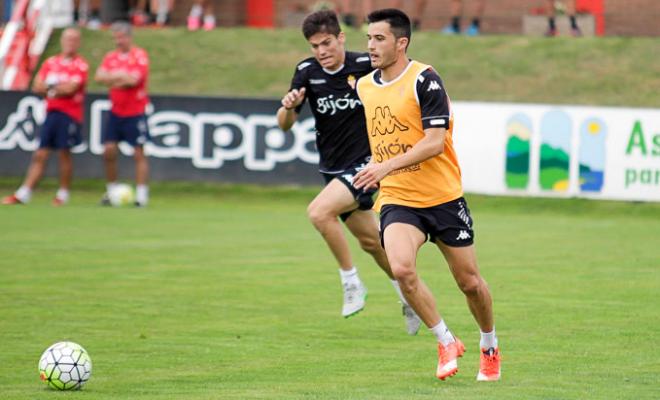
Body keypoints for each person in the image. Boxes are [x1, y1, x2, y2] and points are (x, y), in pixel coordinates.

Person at [354, 8, 501, 381]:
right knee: (402, 268)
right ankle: (445, 339)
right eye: (369, 38)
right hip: (399, 199)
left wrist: (384, 165)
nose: (371, 45)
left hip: (443, 197)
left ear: (401, 43)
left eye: (379, 38)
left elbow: (435, 143)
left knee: (469, 282)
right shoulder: (364, 84)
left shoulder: (426, 80)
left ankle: (489, 344)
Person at [276, 9, 421, 334]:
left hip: (366, 165)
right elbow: (285, 125)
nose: (321, 51)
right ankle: (409, 295)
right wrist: (287, 107)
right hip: (332, 169)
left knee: (318, 213)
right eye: (314, 46)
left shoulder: (364, 65)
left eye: (326, 43)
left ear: (341, 38)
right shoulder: (306, 72)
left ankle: (351, 281)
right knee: (373, 243)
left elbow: (396, 89)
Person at [2, 28, 88, 207]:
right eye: (68, 39)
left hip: (70, 114)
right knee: (40, 154)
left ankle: (63, 194)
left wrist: (51, 88)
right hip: (51, 112)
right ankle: (24, 193)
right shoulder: (52, 62)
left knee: (64, 153)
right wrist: (56, 89)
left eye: (74, 40)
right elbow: (37, 85)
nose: (70, 43)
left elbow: (70, 88)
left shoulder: (80, 64)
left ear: (78, 43)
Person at [95, 21, 150, 207]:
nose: (118, 41)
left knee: (138, 152)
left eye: (121, 37)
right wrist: (119, 76)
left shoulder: (139, 55)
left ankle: (142, 196)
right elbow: (99, 77)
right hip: (116, 111)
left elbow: (133, 81)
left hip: (135, 111)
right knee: (109, 150)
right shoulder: (111, 57)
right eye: (115, 38)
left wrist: (113, 78)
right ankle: (111, 191)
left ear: (129, 37)